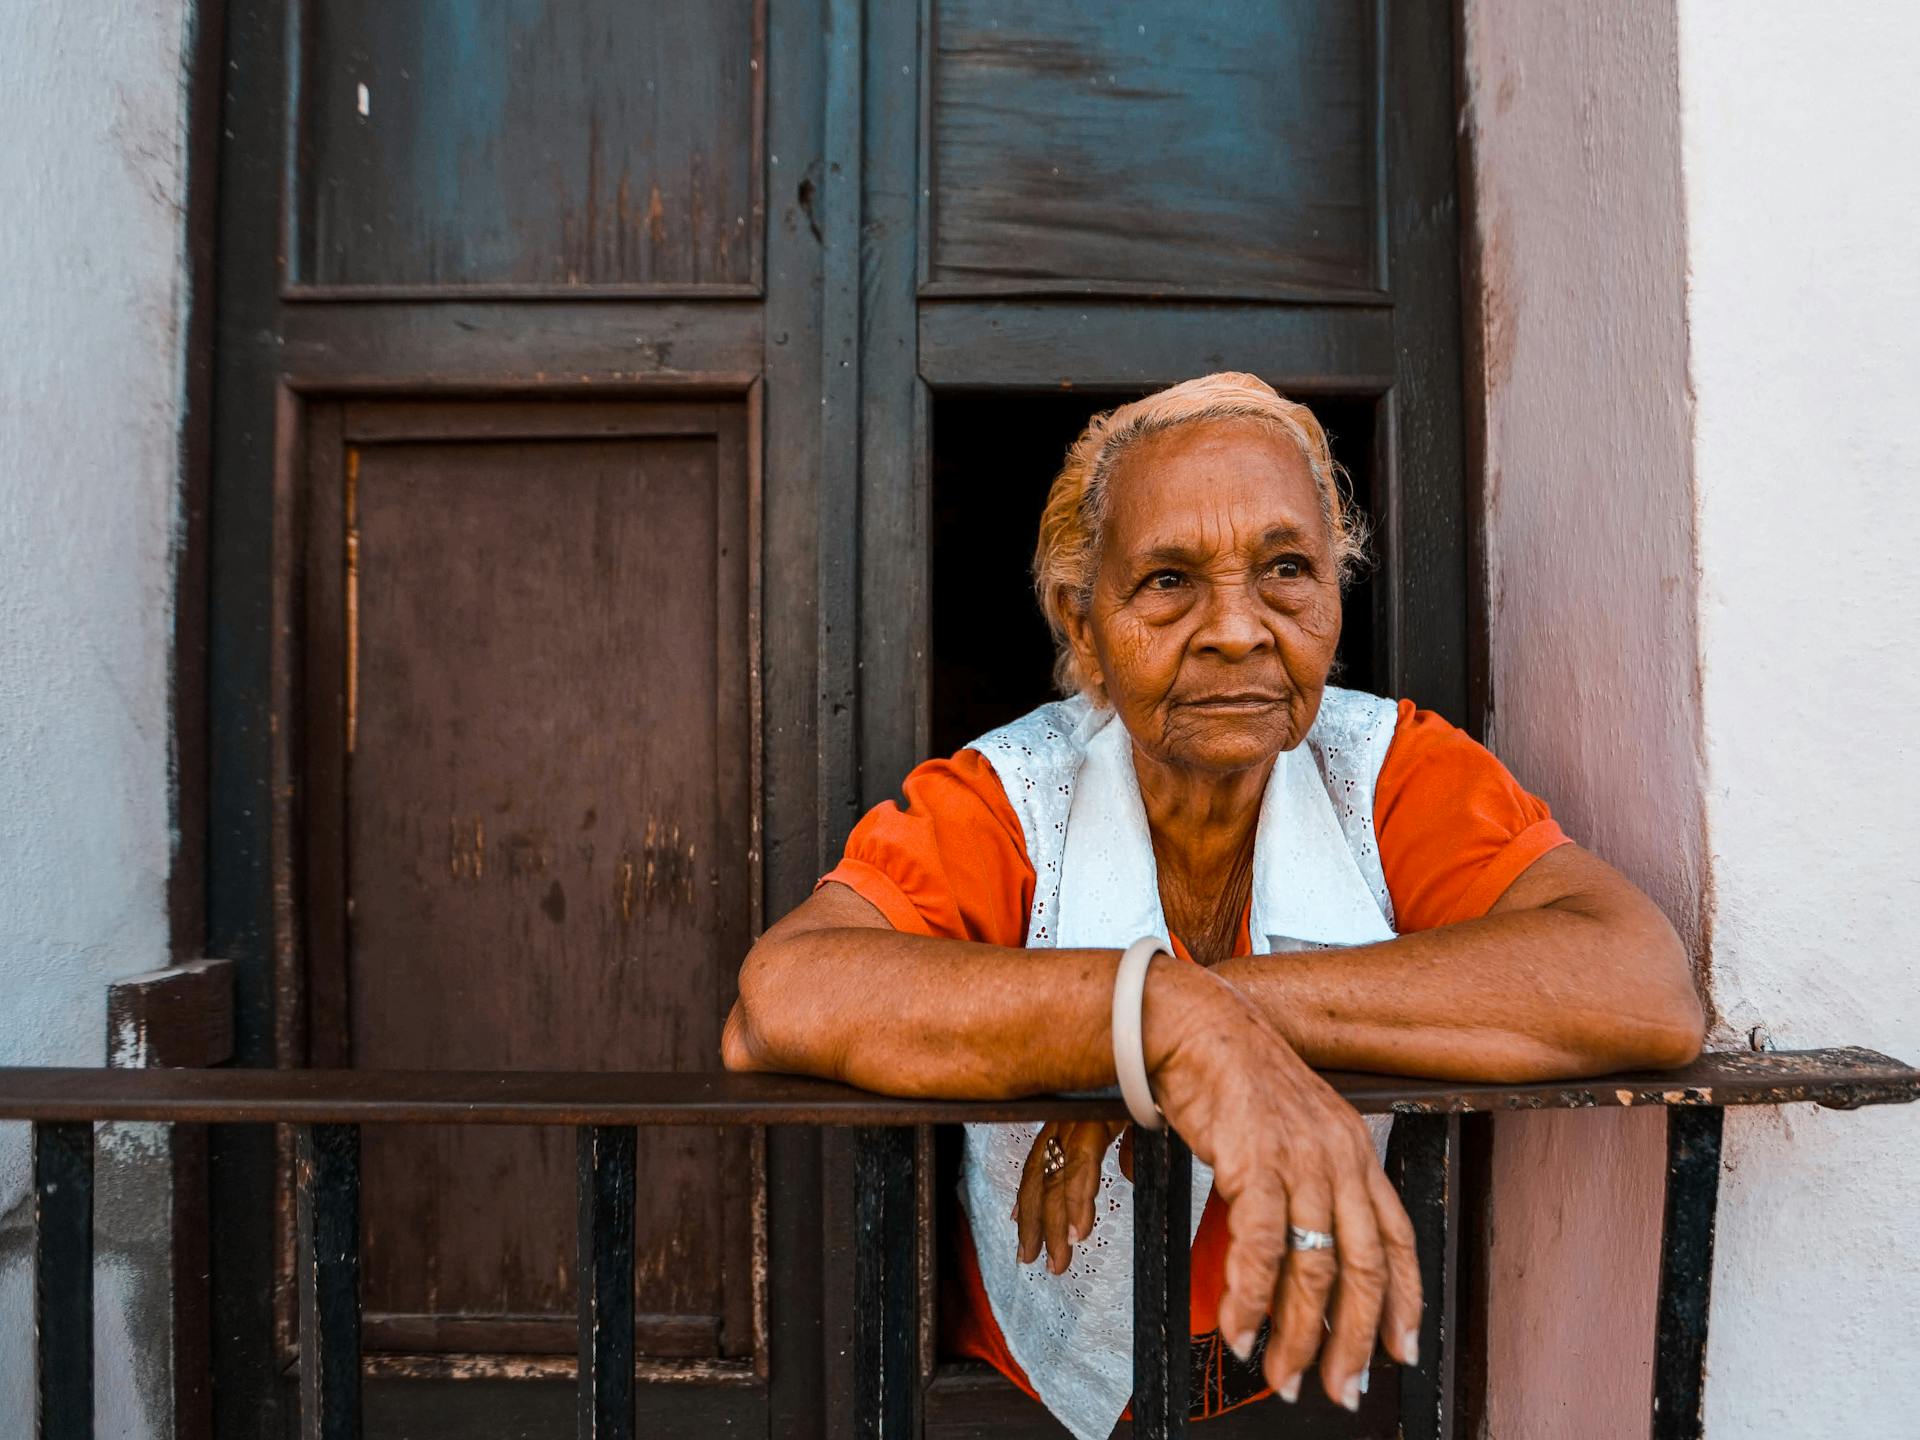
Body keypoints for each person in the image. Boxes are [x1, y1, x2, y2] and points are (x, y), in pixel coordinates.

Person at [723, 372, 1704, 1437]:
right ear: (1084, 627)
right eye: (1168, 581)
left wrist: (1205, 1011)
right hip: (1021, 1393)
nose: (1237, 629)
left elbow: (1640, 984)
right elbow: (783, 995)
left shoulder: (1387, 773)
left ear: (1335, 591)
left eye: (1286, 568)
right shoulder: (1009, 797)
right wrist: (1153, 1018)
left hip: (1303, 1387)